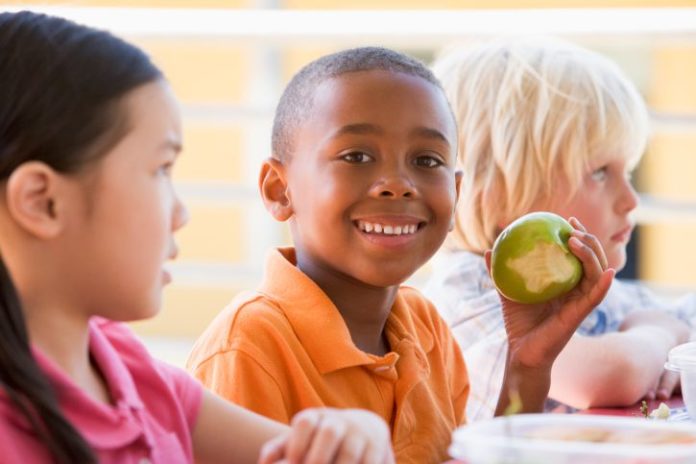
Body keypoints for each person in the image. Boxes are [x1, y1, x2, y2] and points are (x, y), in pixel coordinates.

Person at [0, 11, 396, 464]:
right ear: (41, 201)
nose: (181, 213)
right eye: (160, 170)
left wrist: (351, 435)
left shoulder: (122, 365)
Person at [186, 45, 614, 463]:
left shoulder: (425, 329)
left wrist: (528, 363)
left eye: (427, 161)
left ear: (456, 193)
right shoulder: (250, 347)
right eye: (356, 155)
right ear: (279, 190)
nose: (397, 183)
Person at [423, 37, 695, 422]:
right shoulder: (468, 294)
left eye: (628, 171)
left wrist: (671, 332)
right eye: (600, 173)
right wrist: (662, 335)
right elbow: (603, 377)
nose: (631, 200)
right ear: (502, 196)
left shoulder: (592, 285)